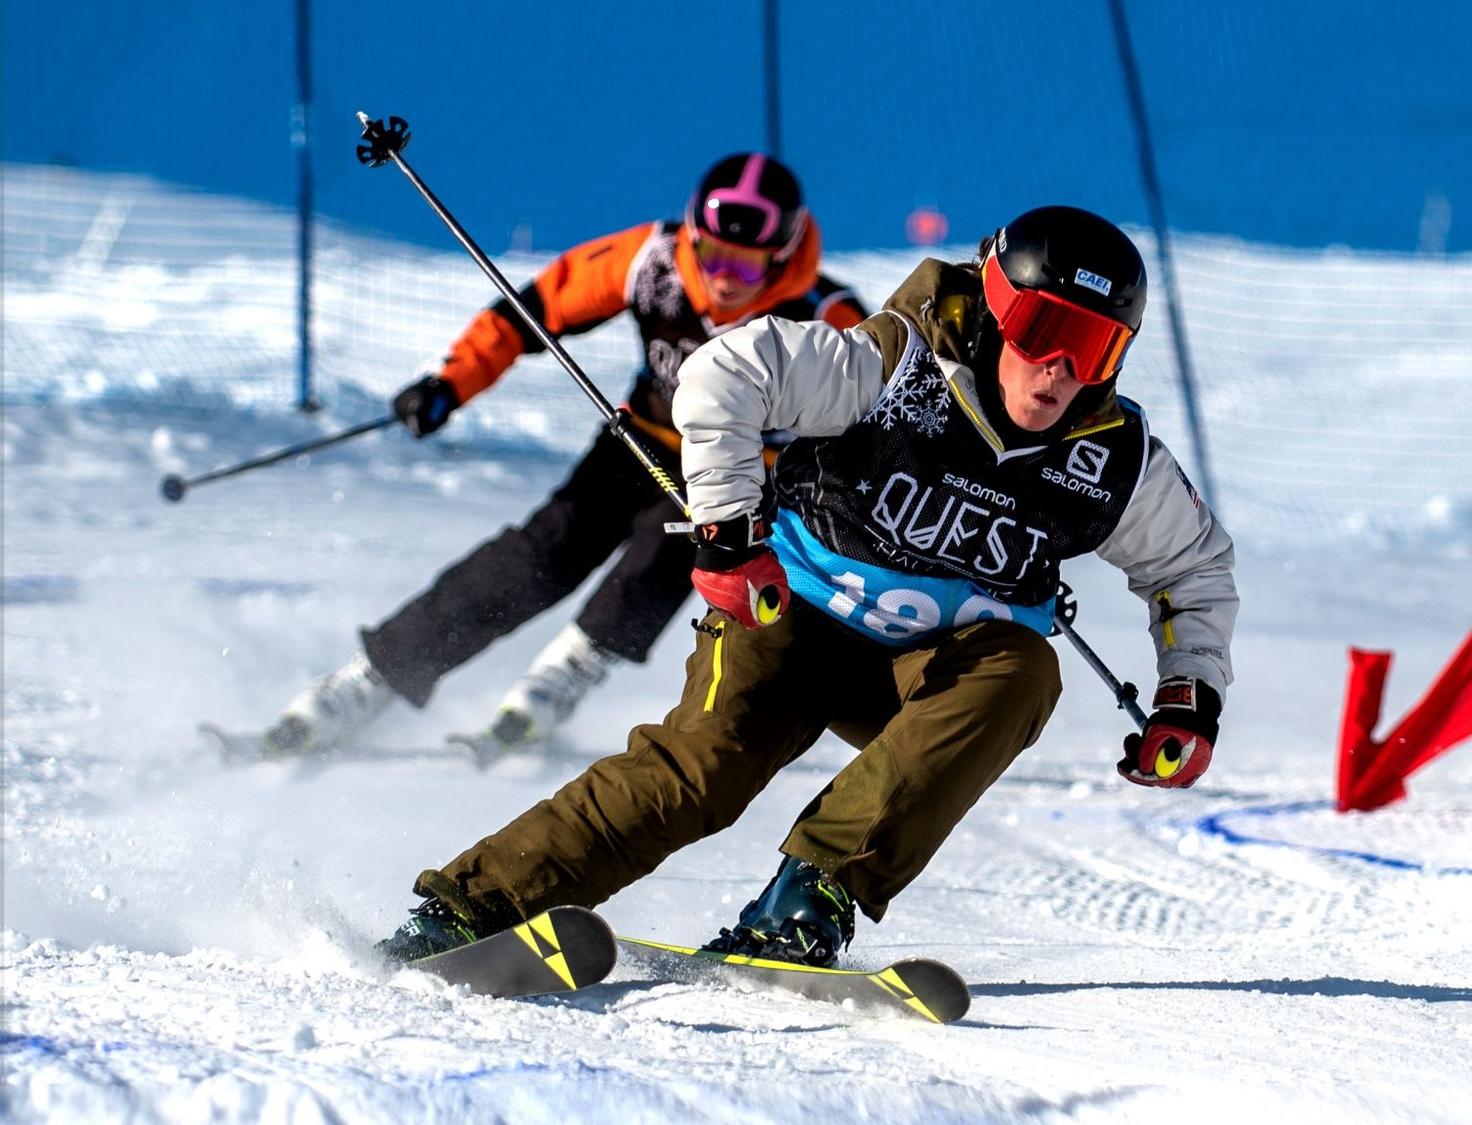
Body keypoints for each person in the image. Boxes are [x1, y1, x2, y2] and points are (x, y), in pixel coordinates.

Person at [377, 205, 1237, 967]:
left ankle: (808, 898)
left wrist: (1186, 696)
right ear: (994, 307)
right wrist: (725, 530)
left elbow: (1193, 568)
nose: (1058, 368)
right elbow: (723, 373)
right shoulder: (896, 368)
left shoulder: (1108, 459)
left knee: (1023, 670)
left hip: (924, 673)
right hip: (787, 614)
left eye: (1090, 345)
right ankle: (473, 904)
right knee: (703, 770)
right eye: (1040, 327)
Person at [252, 153, 867, 761]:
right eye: (712, 254)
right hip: (639, 439)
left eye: (747, 262)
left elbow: (882, 412)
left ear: (782, 257)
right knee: (538, 555)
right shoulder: (654, 261)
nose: (725, 277)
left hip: (741, 470)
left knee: (668, 554)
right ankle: (378, 676)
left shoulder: (822, 315)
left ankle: (568, 671)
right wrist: (451, 383)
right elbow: (535, 307)